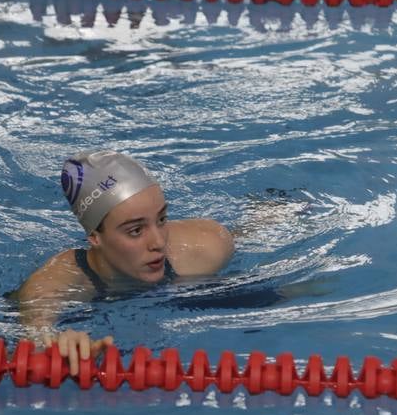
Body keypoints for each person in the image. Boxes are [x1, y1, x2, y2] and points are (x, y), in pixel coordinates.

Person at [16, 150, 234, 375]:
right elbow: (34, 332)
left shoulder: (206, 247)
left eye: (161, 219)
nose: (158, 242)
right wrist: (57, 346)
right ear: (94, 236)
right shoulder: (58, 280)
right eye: (136, 230)